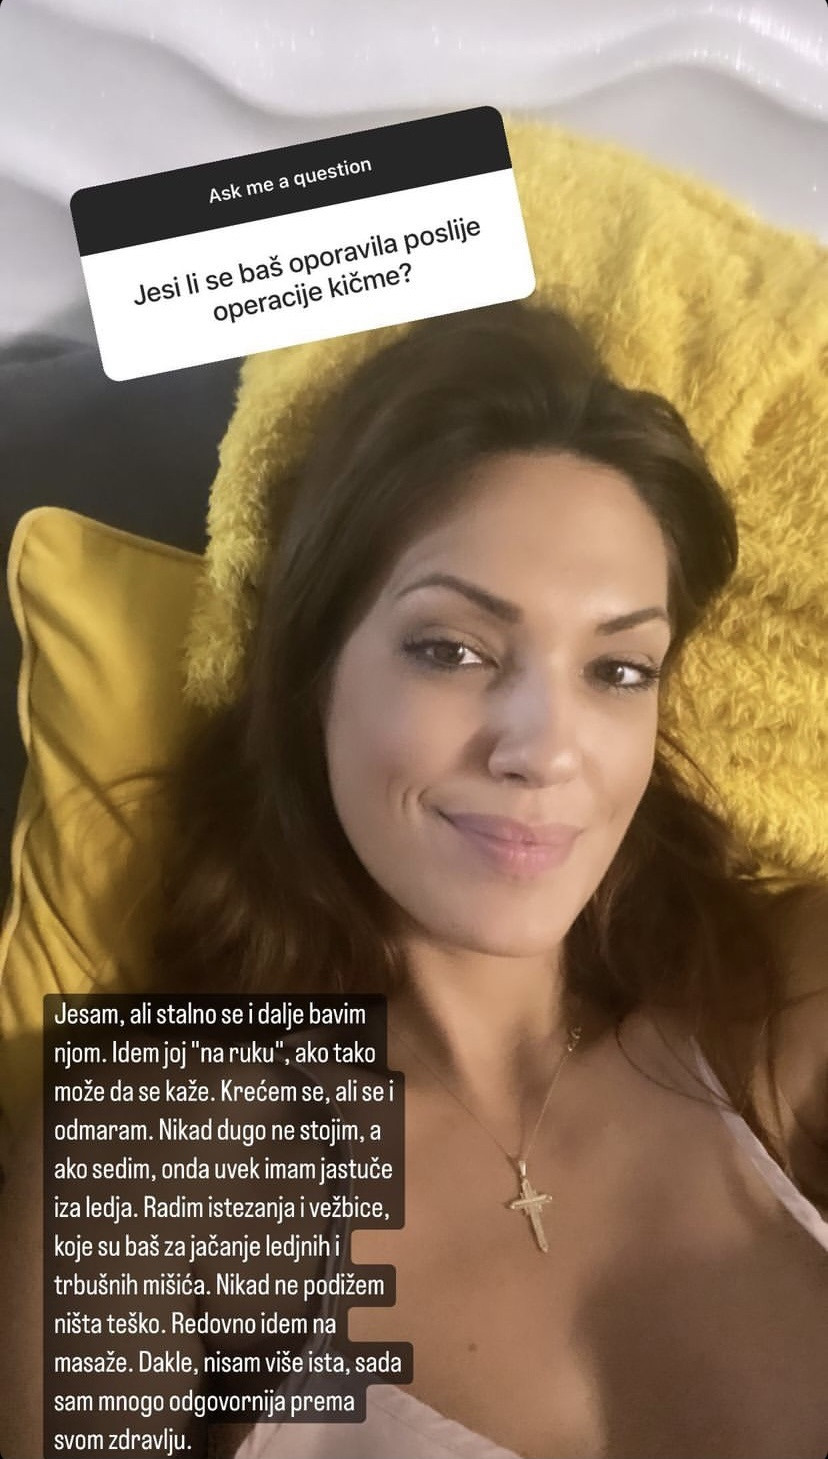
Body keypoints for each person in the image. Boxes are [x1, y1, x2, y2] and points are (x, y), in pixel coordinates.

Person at [1, 300, 826, 1459]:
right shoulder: (154, 1150)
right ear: (312, 674)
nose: (544, 749)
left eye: (618, 668)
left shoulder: (782, 1010)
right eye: (452, 648)